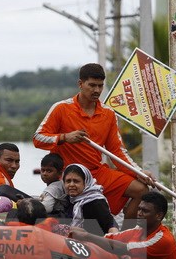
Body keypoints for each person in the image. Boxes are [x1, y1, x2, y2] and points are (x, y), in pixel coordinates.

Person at [33, 63, 154, 219]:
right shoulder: (61, 108)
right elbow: (38, 138)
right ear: (80, 84)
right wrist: (64, 137)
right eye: (92, 85)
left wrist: (138, 172)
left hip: (96, 173)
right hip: (67, 175)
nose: (96, 90)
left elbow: (117, 151)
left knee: (141, 189)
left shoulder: (108, 113)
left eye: (100, 86)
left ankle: (126, 237)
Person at [63, 163, 118, 235]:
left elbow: (110, 225)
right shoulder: (68, 199)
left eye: (76, 181)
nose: (71, 185)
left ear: (86, 182)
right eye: (68, 181)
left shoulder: (95, 202)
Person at [39, 153, 69, 217]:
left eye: (49, 171)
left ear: (60, 173)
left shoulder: (53, 188)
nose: (45, 173)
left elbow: (46, 208)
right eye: (43, 170)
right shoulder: (61, 184)